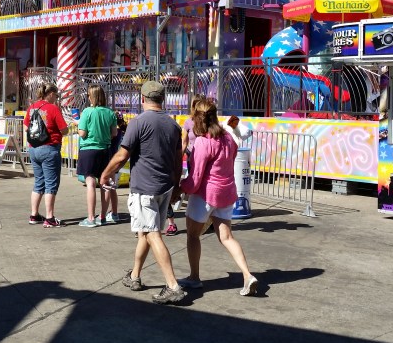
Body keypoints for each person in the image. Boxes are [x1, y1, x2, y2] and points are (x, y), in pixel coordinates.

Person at [100, 80, 186, 305]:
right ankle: (135, 276)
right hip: (165, 187)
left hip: (145, 188)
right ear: (163, 99)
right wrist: (177, 186)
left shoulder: (138, 123)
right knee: (145, 232)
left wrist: (105, 174)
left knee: (151, 233)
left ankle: (173, 285)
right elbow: (178, 161)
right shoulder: (173, 125)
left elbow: (121, 155)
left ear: (142, 99)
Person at [179, 99, 258, 296]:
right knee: (227, 237)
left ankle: (194, 277)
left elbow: (195, 178)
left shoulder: (203, 143)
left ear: (197, 119)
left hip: (205, 195)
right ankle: (247, 275)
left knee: (192, 235)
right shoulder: (229, 139)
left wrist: (180, 187)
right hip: (227, 193)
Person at [24, 82, 69, 227]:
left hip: (33, 148)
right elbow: (63, 130)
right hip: (49, 148)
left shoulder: (32, 108)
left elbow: (25, 127)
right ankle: (49, 218)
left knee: (38, 183)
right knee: (51, 184)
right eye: (56, 95)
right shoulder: (53, 108)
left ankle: (34, 214)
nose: (56, 98)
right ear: (50, 94)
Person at [76, 86, 117, 228]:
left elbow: (82, 133)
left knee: (90, 183)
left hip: (88, 150)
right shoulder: (110, 113)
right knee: (105, 183)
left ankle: (91, 217)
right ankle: (103, 216)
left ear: (91, 97)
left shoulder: (87, 112)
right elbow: (114, 134)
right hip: (105, 150)